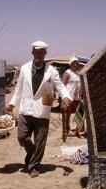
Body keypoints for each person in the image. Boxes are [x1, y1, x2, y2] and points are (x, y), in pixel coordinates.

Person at [6, 40, 72, 178]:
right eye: (38, 52)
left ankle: (34, 166)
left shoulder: (52, 71)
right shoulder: (24, 68)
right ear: (33, 53)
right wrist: (12, 104)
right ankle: (31, 152)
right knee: (22, 136)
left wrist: (66, 97)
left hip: (43, 108)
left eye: (43, 53)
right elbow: (18, 89)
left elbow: (60, 86)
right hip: (26, 108)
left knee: (40, 141)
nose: (40, 55)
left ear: (45, 53)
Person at [62, 56, 82, 138]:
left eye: (76, 62)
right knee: (67, 113)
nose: (76, 64)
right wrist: (63, 97)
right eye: (74, 62)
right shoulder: (68, 72)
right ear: (70, 64)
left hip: (77, 96)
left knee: (79, 113)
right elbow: (62, 85)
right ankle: (67, 129)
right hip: (69, 96)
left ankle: (78, 130)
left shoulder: (78, 73)